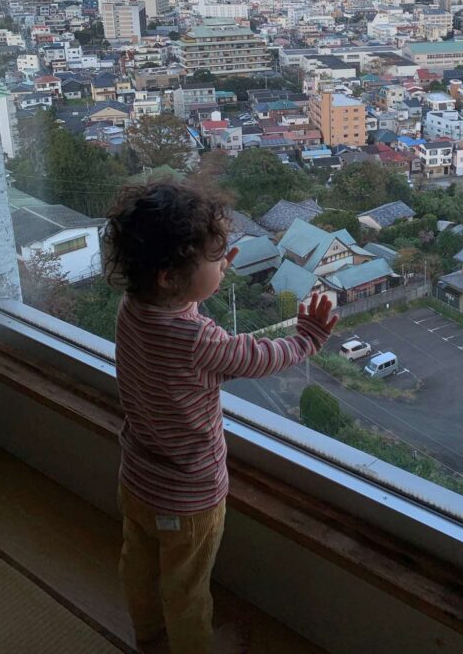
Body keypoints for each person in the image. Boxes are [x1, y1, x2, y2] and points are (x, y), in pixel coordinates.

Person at [104, 180, 337, 654]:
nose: (225, 262)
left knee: (139, 567)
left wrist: (205, 276)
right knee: (186, 590)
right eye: (216, 258)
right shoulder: (198, 342)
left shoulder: (133, 309)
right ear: (170, 277)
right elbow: (250, 357)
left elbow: (178, 326)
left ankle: (147, 636)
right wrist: (306, 340)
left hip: (137, 478)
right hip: (189, 496)